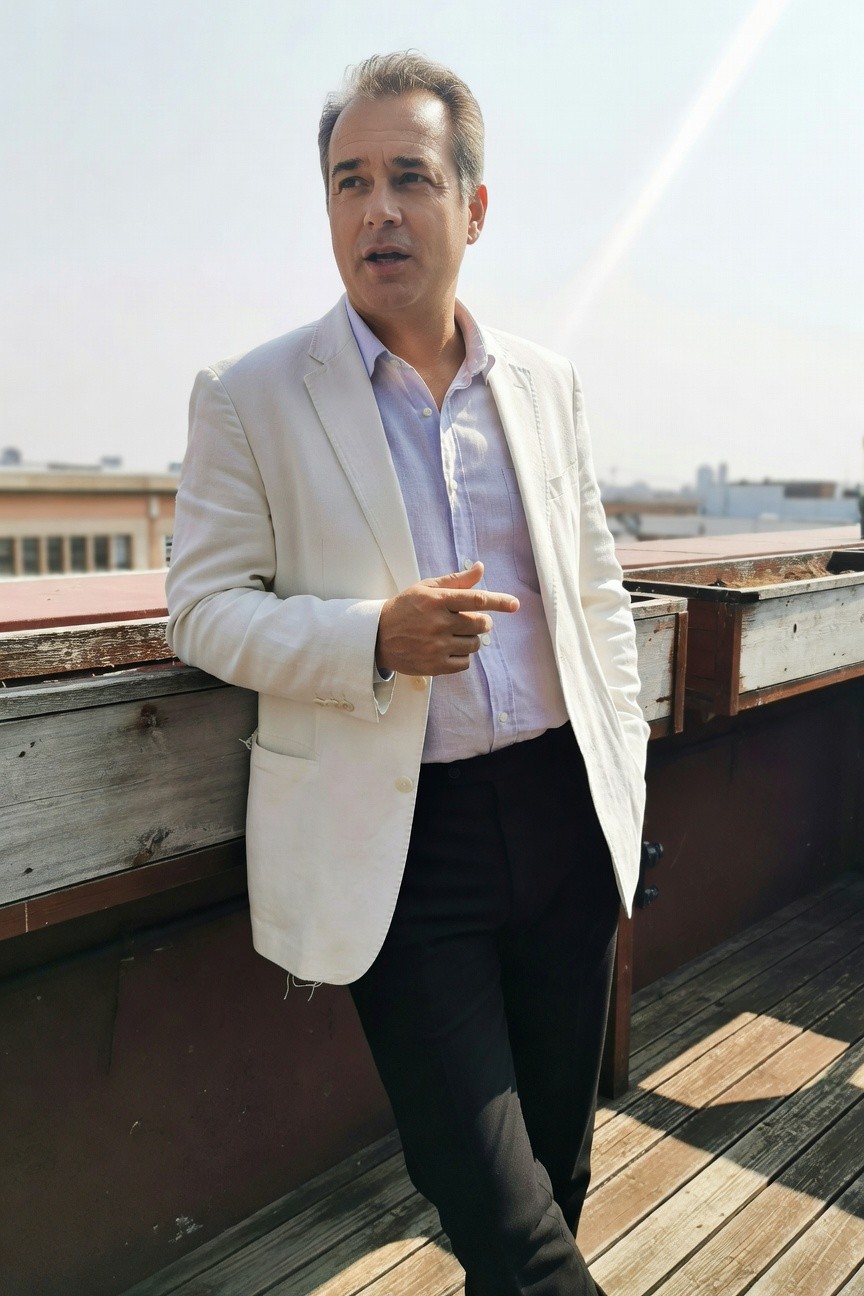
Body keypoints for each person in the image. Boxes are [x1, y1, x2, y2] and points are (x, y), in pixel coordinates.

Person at [166, 52, 648, 1296]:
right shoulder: (249, 396)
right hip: (402, 853)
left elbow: (595, 597)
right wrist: (368, 637)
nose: (378, 208)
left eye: (411, 178)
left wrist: (618, 776)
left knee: (555, 1175)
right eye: (350, 181)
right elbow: (201, 611)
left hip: (562, 819)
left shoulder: (547, 384)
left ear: (472, 209)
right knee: (502, 1211)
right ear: (328, 209)